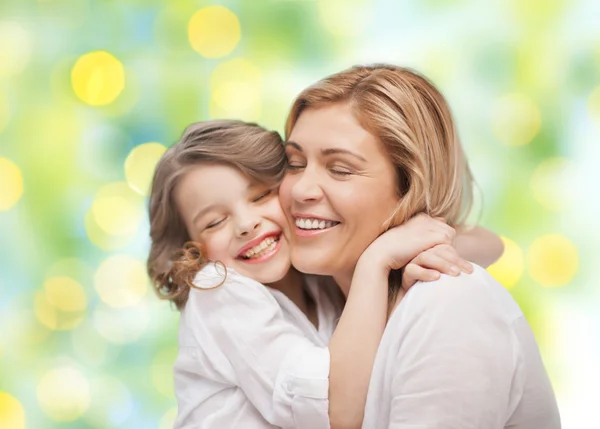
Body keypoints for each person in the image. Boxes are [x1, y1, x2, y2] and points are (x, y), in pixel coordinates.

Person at [147, 120, 500, 428]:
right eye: (214, 222)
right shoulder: (218, 289)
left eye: (261, 195)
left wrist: (401, 234)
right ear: (191, 251)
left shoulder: (315, 273)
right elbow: (334, 414)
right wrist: (377, 258)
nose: (245, 224)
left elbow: (489, 246)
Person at [280, 63, 561, 428]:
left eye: (341, 169)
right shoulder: (316, 302)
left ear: (410, 186)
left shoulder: (447, 305)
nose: (301, 190)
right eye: (293, 163)